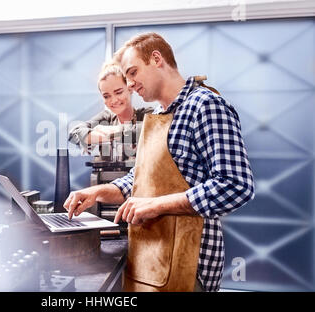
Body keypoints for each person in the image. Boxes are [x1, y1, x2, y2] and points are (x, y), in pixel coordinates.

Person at [63, 32, 255, 292]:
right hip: (149, 258)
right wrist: (99, 192)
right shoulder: (157, 115)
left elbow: (235, 186)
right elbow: (141, 180)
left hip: (188, 266)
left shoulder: (206, 106)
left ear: (156, 59)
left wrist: (155, 205)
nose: (129, 84)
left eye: (132, 72)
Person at [68, 61, 154, 158]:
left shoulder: (146, 115)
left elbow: (152, 129)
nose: (113, 100)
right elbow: (74, 132)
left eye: (118, 92)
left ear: (129, 89)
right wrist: (105, 137)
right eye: (106, 96)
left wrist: (110, 132)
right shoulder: (106, 118)